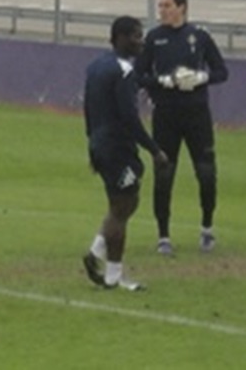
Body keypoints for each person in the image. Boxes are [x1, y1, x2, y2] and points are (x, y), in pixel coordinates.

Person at [135, 0, 229, 255]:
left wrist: (202, 77)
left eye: (167, 6)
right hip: (166, 115)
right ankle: (163, 235)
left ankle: (207, 228)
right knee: (164, 174)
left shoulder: (199, 36)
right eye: (160, 6)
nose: (162, 10)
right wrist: (161, 81)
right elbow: (139, 76)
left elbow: (222, 71)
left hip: (197, 114)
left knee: (207, 173)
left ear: (181, 8)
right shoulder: (153, 38)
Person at [81, 16, 169, 292]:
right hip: (118, 148)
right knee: (122, 207)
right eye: (136, 36)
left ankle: (97, 253)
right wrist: (155, 150)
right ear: (120, 37)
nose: (141, 42)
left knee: (124, 204)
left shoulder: (96, 66)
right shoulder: (124, 72)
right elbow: (130, 118)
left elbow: (88, 109)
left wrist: (92, 145)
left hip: (101, 143)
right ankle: (112, 275)